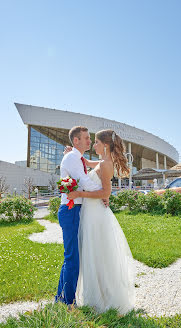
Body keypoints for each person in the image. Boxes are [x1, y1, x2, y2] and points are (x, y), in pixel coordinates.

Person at [68, 129, 135, 314]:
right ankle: (96, 294)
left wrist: (79, 193)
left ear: (105, 145)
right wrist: (72, 153)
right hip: (92, 211)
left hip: (96, 213)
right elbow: (86, 162)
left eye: (96, 142)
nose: (93, 145)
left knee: (96, 252)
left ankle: (102, 297)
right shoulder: (102, 161)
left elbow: (106, 193)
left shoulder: (106, 164)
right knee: (94, 251)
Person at [55, 126, 103, 306]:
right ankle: (67, 303)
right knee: (72, 259)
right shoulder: (72, 158)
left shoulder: (76, 158)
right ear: (76, 141)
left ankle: (61, 299)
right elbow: (85, 183)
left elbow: (81, 181)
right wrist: (104, 192)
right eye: (86, 138)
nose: (90, 141)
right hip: (70, 209)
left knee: (71, 257)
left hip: (74, 209)